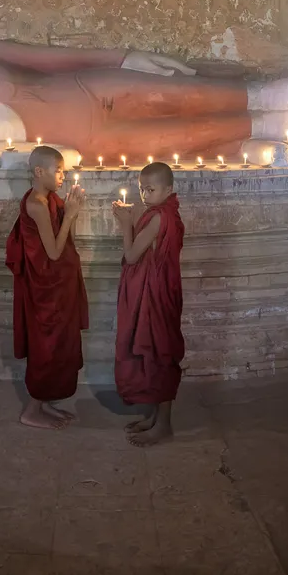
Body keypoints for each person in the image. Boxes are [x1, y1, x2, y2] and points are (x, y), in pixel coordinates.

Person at [0, 40, 288, 162]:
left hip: (94, 87)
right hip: (98, 143)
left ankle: (263, 95)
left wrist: (126, 56)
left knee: (182, 92)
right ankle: (258, 129)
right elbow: (32, 160)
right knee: (178, 137)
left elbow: (54, 59)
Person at [4, 145, 89, 429]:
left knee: (60, 345)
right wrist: (72, 214)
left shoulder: (52, 198)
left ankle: (46, 404)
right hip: (45, 290)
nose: (63, 176)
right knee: (47, 347)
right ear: (40, 172)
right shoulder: (36, 205)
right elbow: (52, 252)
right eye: (59, 170)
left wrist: (71, 213)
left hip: (59, 284)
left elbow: (68, 240)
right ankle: (32, 410)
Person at [112, 160, 185, 446]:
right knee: (155, 353)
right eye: (142, 189)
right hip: (161, 288)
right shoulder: (163, 212)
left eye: (151, 189)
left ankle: (164, 424)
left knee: (159, 355)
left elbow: (131, 256)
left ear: (168, 189)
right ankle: (156, 417)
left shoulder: (158, 217)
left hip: (156, 295)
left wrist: (125, 224)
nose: (144, 195)